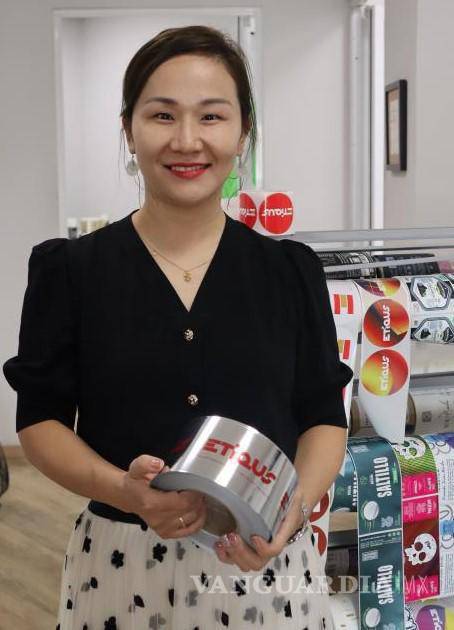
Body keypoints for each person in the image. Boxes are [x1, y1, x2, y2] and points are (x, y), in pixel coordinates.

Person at [3, 25, 353, 630]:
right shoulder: (70, 271)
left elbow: (324, 415)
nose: (187, 140)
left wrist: (290, 510)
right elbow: (40, 422)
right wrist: (124, 489)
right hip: (121, 568)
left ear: (242, 132)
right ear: (128, 129)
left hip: (263, 564)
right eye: (162, 115)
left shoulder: (289, 271)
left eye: (211, 116)